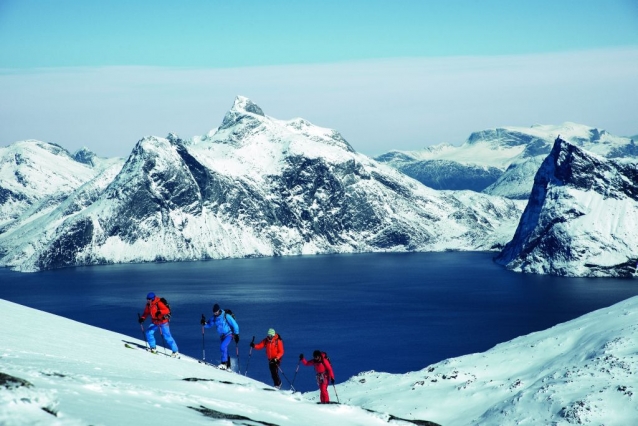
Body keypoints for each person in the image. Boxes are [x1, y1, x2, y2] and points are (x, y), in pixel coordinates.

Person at [138, 292, 178, 357]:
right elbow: (146, 313)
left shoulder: (158, 303)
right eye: (147, 299)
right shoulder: (148, 305)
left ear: (153, 299)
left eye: (149, 299)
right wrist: (142, 318)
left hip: (163, 322)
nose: (148, 300)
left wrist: (160, 311)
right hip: (155, 322)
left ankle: (175, 351)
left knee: (167, 336)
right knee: (149, 332)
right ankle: (153, 348)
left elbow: (167, 310)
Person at [201, 303, 239, 370]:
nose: (215, 314)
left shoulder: (226, 316)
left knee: (223, 347)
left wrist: (236, 334)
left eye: (216, 312)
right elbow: (209, 324)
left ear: (219, 310)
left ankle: (224, 363)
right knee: (225, 350)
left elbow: (235, 325)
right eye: (214, 312)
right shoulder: (214, 318)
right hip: (222, 336)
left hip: (229, 334)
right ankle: (228, 366)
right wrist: (204, 323)